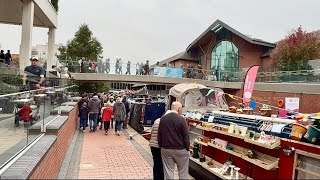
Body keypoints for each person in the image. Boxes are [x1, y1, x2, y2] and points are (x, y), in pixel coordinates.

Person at [157, 101, 190, 179]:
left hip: (166, 149)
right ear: (178, 109)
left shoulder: (163, 119)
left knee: (168, 171)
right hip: (180, 149)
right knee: (183, 172)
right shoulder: (181, 119)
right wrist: (187, 148)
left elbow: (159, 134)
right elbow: (186, 136)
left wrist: (161, 146)